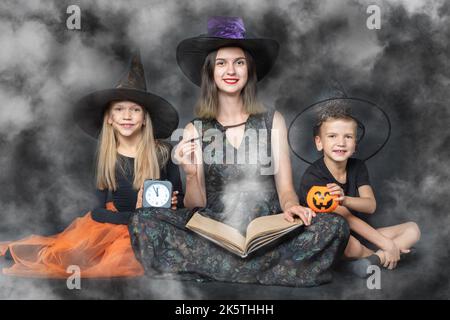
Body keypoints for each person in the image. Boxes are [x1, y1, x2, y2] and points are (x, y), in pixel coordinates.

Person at [128, 16, 350, 287]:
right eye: (221, 63)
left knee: (334, 226)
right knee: (144, 220)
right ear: (210, 72)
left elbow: (285, 190)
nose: (230, 70)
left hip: (267, 229)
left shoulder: (272, 120)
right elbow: (195, 206)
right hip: (215, 230)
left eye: (239, 62)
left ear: (249, 70)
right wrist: (191, 173)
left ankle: (221, 269)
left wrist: (293, 207)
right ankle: (267, 271)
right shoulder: (195, 129)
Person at [0, 52, 183, 278]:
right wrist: (134, 218)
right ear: (109, 118)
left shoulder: (164, 153)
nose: (127, 116)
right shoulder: (107, 158)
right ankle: (17, 253)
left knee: (147, 258)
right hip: (117, 226)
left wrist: (172, 204)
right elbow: (97, 212)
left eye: (135, 110)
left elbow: (180, 202)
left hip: (155, 228)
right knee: (68, 255)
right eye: (119, 109)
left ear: (145, 118)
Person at [299, 100, 421, 278]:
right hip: (333, 239)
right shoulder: (314, 177)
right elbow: (346, 218)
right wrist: (388, 244)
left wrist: (345, 199)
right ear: (319, 142)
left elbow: (370, 205)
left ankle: (373, 261)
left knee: (413, 229)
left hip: (362, 232)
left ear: (355, 144)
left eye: (348, 137)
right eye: (332, 136)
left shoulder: (358, 166)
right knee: (351, 246)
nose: (341, 142)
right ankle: (387, 255)